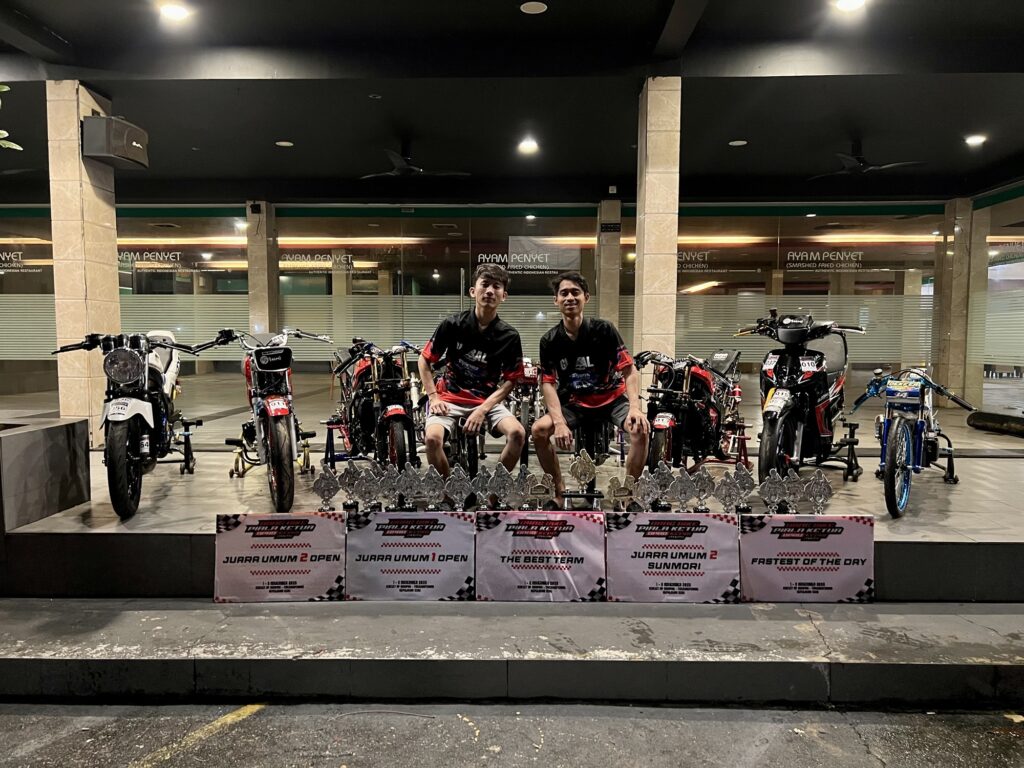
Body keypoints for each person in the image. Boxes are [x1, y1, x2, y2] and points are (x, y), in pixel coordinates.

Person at [532, 271, 649, 505]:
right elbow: (547, 383)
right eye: (564, 293)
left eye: (575, 292)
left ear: (586, 297)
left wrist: (635, 408)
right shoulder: (549, 340)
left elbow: (629, 370)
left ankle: (628, 493)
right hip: (574, 403)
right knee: (538, 430)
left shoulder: (604, 330)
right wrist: (559, 422)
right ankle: (558, 491)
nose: (569, 298)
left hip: (612, 400)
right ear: (556, 300)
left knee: (640, 429)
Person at [418, 264, 526, 476]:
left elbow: (511, 380)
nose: (489, 291)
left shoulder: (510, 336)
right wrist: (433, 397)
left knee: (518, 434)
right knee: (431, 440)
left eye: (496, 286)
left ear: (504, 296)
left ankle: (495, 489)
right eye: (484, 284)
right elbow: (424, 360)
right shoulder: (452, 324)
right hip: (448, 399)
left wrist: (483, 409)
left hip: (487, 401)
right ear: (472, 291)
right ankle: (449, 489)